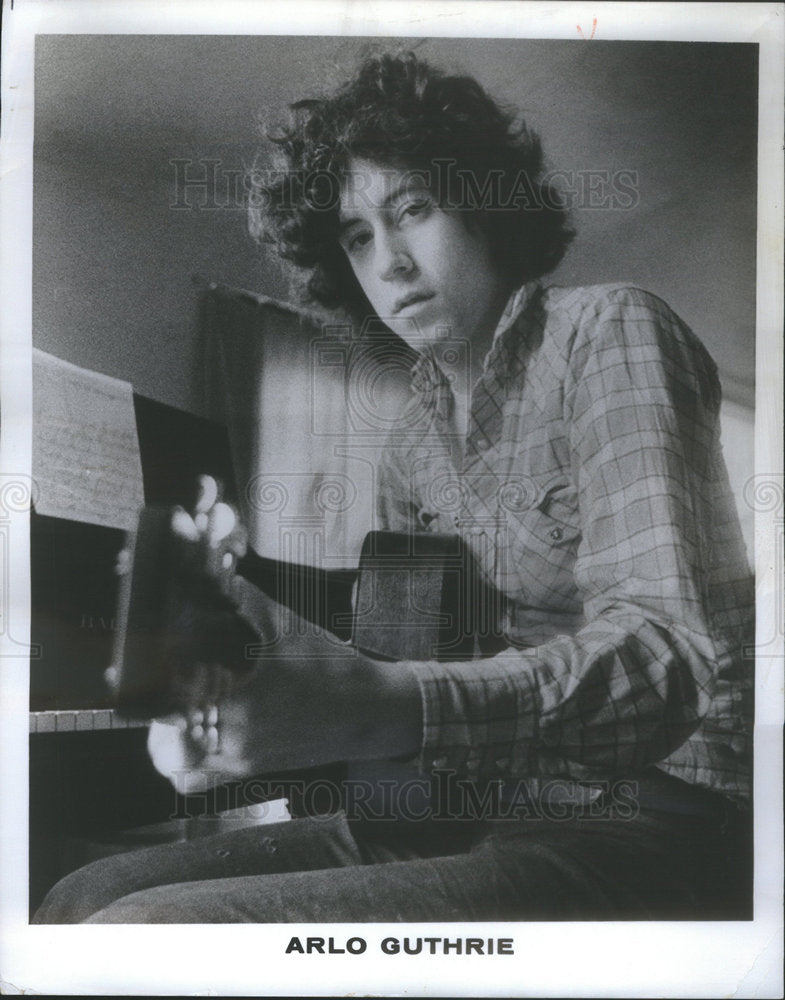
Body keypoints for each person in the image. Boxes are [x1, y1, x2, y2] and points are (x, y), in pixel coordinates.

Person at [33, 50, 754, 923]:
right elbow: (404, 648)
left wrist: (381, 704)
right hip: (474, 810)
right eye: (356, 235)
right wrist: (247, 631)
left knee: (140, 931)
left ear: (486, 206)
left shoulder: (608, 331)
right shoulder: (411, 440)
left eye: (412, 208)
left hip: (649, 822)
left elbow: (665, 654)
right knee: (82, 892)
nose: (391, 263)